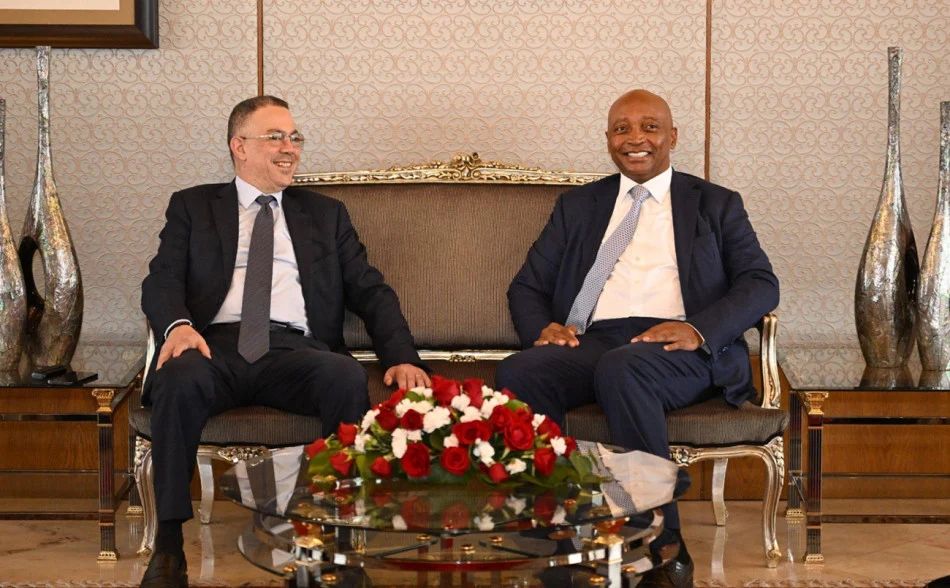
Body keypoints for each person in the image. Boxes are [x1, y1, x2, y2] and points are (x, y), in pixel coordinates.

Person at [139, 95, 430, 587]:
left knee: (343, 375)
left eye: (295, 138)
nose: (290, 148)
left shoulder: (325, 214)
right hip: (214, 345)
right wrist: (179, 327)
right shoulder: (193, 205)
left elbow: (370, 290)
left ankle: (335, 542)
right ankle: (168, 546)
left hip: (293, 349)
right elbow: (162, 279)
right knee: (178, 377)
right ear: (239, 146)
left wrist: (400, 356)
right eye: (275, 137)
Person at [496, 89, 779, 588]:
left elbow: (760, 283)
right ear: (608, 139)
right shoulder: (579, 205)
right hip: (597, 339)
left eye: (650, 127)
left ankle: (659, 545)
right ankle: (557, 535)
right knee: (521, 371)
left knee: (626, 367)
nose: (635, 138)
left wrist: (697, 329)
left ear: (673, 137)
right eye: (621, 129)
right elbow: (527, 286)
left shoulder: (715, 203)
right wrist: (544, 328)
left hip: (681, 345)